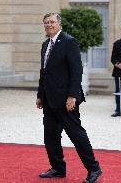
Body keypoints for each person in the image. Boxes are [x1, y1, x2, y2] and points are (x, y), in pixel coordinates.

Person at [36, 12, 102, 183]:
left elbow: (76, 70)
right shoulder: (45, 45)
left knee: (76, 135)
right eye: (46, 22)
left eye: (52, 22)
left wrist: (72, 95)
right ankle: (58, 168)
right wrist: (39, 95)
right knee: (50, 136)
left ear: (59, 24)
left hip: (66, 100)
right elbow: (44, 72)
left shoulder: (68, 41)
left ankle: (94, 169)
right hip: (49, 99)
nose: (49, 25)